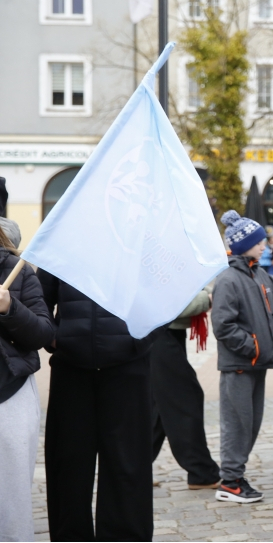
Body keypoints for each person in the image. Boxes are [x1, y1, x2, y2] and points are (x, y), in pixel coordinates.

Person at [39, 272, 158, 540]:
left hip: (127, 368)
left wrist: (137, 341)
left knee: (127, 463)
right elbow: (39, 302)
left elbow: (163, 301)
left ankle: (125, 536)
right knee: (68, 462)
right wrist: (55, 338)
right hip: (71, 367)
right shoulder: (60, 240)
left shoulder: (136, 240)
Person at [212, 210, 273, 503]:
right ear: (243, 245)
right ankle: (230, 481)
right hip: (240, 365)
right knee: (237, 423)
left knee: (251, 423)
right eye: (258, 242)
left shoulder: (260, 274)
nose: (264, 245)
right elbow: (222, 325)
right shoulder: (229, 279)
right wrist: (252, 347)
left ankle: (236, 476)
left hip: (257, 364)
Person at [0, 223, 54, 542]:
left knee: (10, 502)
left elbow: (43, 333)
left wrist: (9, 308)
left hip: (9, 397)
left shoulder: (15, 269)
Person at [151, 284, 221, 490]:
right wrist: (206, 298)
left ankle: (133, 468)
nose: (264, 248)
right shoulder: (153, 259)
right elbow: (170, 301)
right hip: (157, 334)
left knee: (158, 406)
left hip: (163, 333)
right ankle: (202, 471)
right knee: (184, 400)